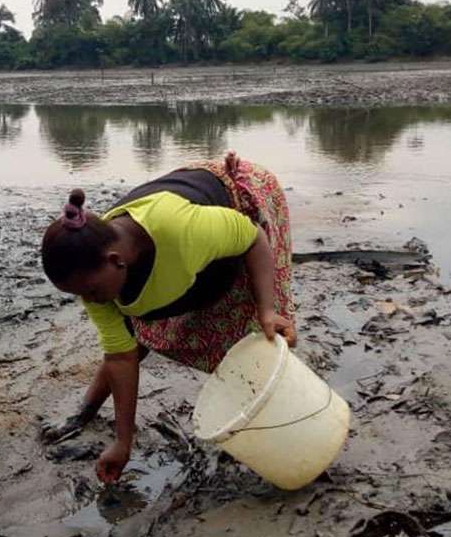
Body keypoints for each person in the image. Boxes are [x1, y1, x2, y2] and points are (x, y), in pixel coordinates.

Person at [39, 151, 295, 483]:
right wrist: (122, 442)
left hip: (240, 215)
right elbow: (120, 355)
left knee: (259, 338)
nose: (88, 302)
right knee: (138, 333)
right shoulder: (93, 274)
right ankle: (84, 412)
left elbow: (253, 238)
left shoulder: (182, 229)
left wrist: (267, 310)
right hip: (177, 256)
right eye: (79, 295)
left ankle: (278, 423)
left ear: (117, 261)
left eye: (91, 292)